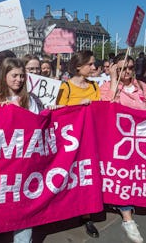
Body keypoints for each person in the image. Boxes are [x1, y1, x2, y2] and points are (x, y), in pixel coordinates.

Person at [100, 54, 146, 243]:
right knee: (121, 175)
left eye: (130, 67)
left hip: (140, 139)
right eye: (122, 68)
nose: (127, 71)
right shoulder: (107, 86)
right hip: (119, 140)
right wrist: (112, 79)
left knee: (135, 173)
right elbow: (107, 107)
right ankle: (127, 218)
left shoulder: (142, 86)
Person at [0, 57, 43, 242]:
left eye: (21, 76)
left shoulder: (32, 100)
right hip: (2, 163)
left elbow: (40, 124)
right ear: (4, 76)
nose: (19, 80)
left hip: (26, 162)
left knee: (23, 205)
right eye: (14, 76)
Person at [56, 50, 100, 238]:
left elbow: (101, 109)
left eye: (93, 64)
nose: (94, 67)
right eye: (90, 64)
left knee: (86, 176)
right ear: (78, 67)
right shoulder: (65, 87)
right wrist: (76, 107)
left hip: (90, 139)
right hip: (71, 141)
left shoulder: (94, 86)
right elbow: (57, 111)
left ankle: (86, 214)